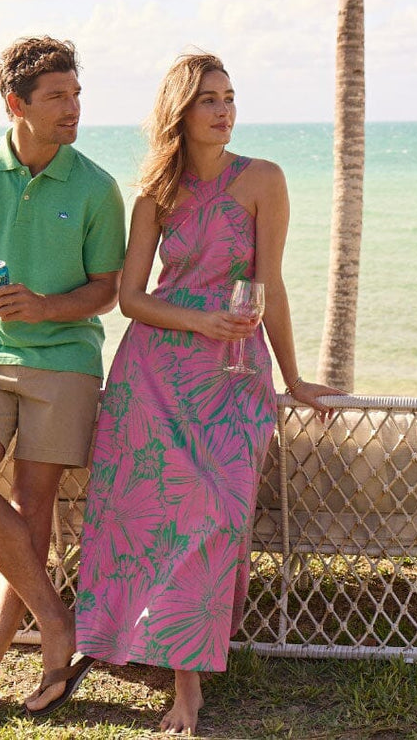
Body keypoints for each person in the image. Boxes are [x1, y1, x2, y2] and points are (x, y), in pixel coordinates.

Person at [74, 52, 343, 735]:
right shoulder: (154, 194)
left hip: (234, 374)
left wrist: (291, 375)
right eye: (208, 100)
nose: (224, 110)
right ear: (181, 112)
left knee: (217, 514)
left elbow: (271, 286)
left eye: (230, 97)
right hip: (154, 377)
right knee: (150, 516)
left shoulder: (263, 180)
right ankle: (181, 682)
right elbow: (131, 299)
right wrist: (199, 319)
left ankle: (178, 646)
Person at [0, 36, 126, 732]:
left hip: (65, 360)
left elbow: (107, 290)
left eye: (77, 94)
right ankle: (53, 619)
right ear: (16, 104)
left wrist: (45, 306)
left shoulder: (97, 186)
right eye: (58, 98)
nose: (75, 109)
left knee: (33, 504)